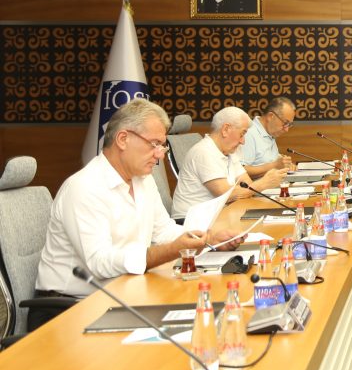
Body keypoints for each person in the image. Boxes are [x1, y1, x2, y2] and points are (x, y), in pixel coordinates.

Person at [31, 100, 242, 328]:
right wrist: (171, 251)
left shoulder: (143, 180)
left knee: (210, 315)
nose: (160, 155)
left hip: (124, 292)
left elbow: (163, 231)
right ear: (123, 139)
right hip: (69, 309)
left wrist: (209, 239)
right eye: (154, 144)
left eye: (163, 146)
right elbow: (99, 263)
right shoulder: (84, 187)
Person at [171, 106, 287, 218]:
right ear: (225, 129)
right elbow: (226, 195)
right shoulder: (204, 152)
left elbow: (246, 183)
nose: (243, 141)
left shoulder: (230, 151)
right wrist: (263, 183)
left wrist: (262, 184)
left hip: (220, 215)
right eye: (242, 134)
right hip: (193, 221)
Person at [240, 97, 296, 177]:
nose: (286, 129)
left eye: (289, 125)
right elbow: (241, 171)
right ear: (270, 116)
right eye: (285, 123)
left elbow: (271, 162)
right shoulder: (249, 134)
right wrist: (274, 165)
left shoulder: (270, 132)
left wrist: (286, 165)